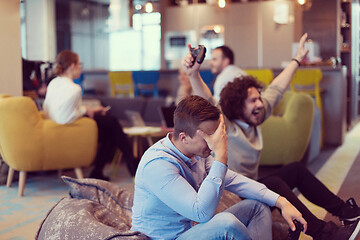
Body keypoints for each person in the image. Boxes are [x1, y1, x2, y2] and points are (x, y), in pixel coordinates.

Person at [182, 33, 360, 240]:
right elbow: (208, 99)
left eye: (259, 99)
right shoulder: (225, 125)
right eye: (253, 101)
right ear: (238, 106)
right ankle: (324, 233)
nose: (260, 104)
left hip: (252, 187)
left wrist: (297, 59)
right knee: (274, 183)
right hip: (231, 195)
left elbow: (277, 87)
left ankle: (345, 212)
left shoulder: (256, 115)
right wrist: (193, 74)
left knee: (295, 169)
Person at [131, 94, 307, 240]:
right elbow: (201, 213)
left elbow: (234, 180)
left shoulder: (196, 153)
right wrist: (221, 156)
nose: (214, 143)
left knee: (257, 207)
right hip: (167, 238)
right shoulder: (157, 164)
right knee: (227, 224)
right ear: (184, 137)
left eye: (216, 135)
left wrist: (281, 201)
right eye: (208, 137)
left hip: (190, 230)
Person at [43, 50, 138, 180]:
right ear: (72, 66)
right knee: (111, 123)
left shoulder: (54, 83)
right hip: (69, 131)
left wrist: (87, 109)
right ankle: (132, 163)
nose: (81, 67)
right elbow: (64, 117)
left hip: (52, 127)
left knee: (109, 129)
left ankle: (101, 170)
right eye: (79, 64)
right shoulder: (75, 89)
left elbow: (61, 109)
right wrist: (85, 111)